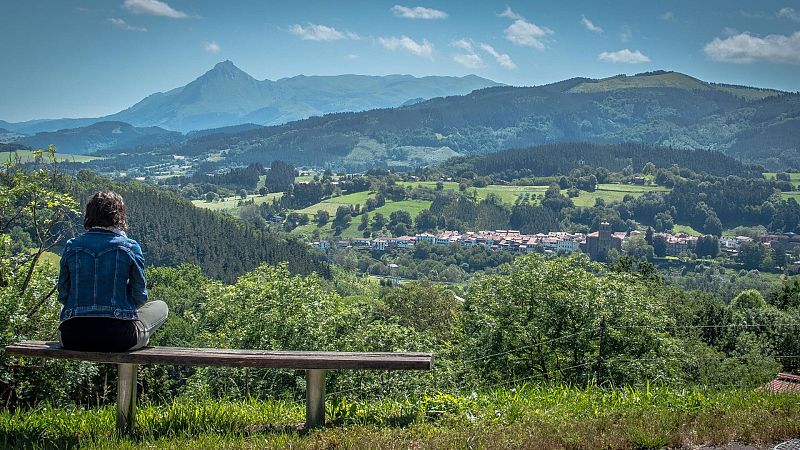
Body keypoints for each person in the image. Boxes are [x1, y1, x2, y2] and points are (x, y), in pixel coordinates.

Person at [57, 191, 168, 352]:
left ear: (89, 215)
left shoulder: (71, 246)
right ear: (119, 216)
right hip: (120, 338)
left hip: (72, 337)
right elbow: (140, 296)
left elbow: (63, 295)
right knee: (161, 306)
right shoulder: (130, 247)